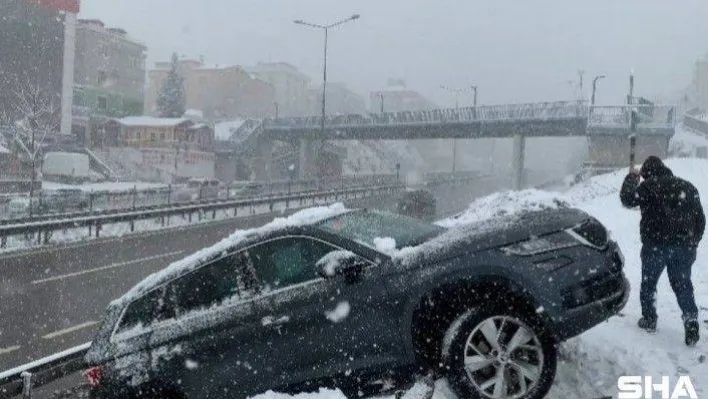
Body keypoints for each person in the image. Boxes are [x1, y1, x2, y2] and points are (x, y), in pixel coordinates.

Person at [620, 156, 705, 346]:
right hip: (684, 247)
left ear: (647, 173)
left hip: (655, 245)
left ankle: (649, 319)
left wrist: (632, 177)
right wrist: (693, 242)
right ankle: (690, 319)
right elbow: (701, 219)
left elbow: (627, 199)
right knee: (683, 284)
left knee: (649, 283)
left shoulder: (648, 186)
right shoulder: (688, 187)